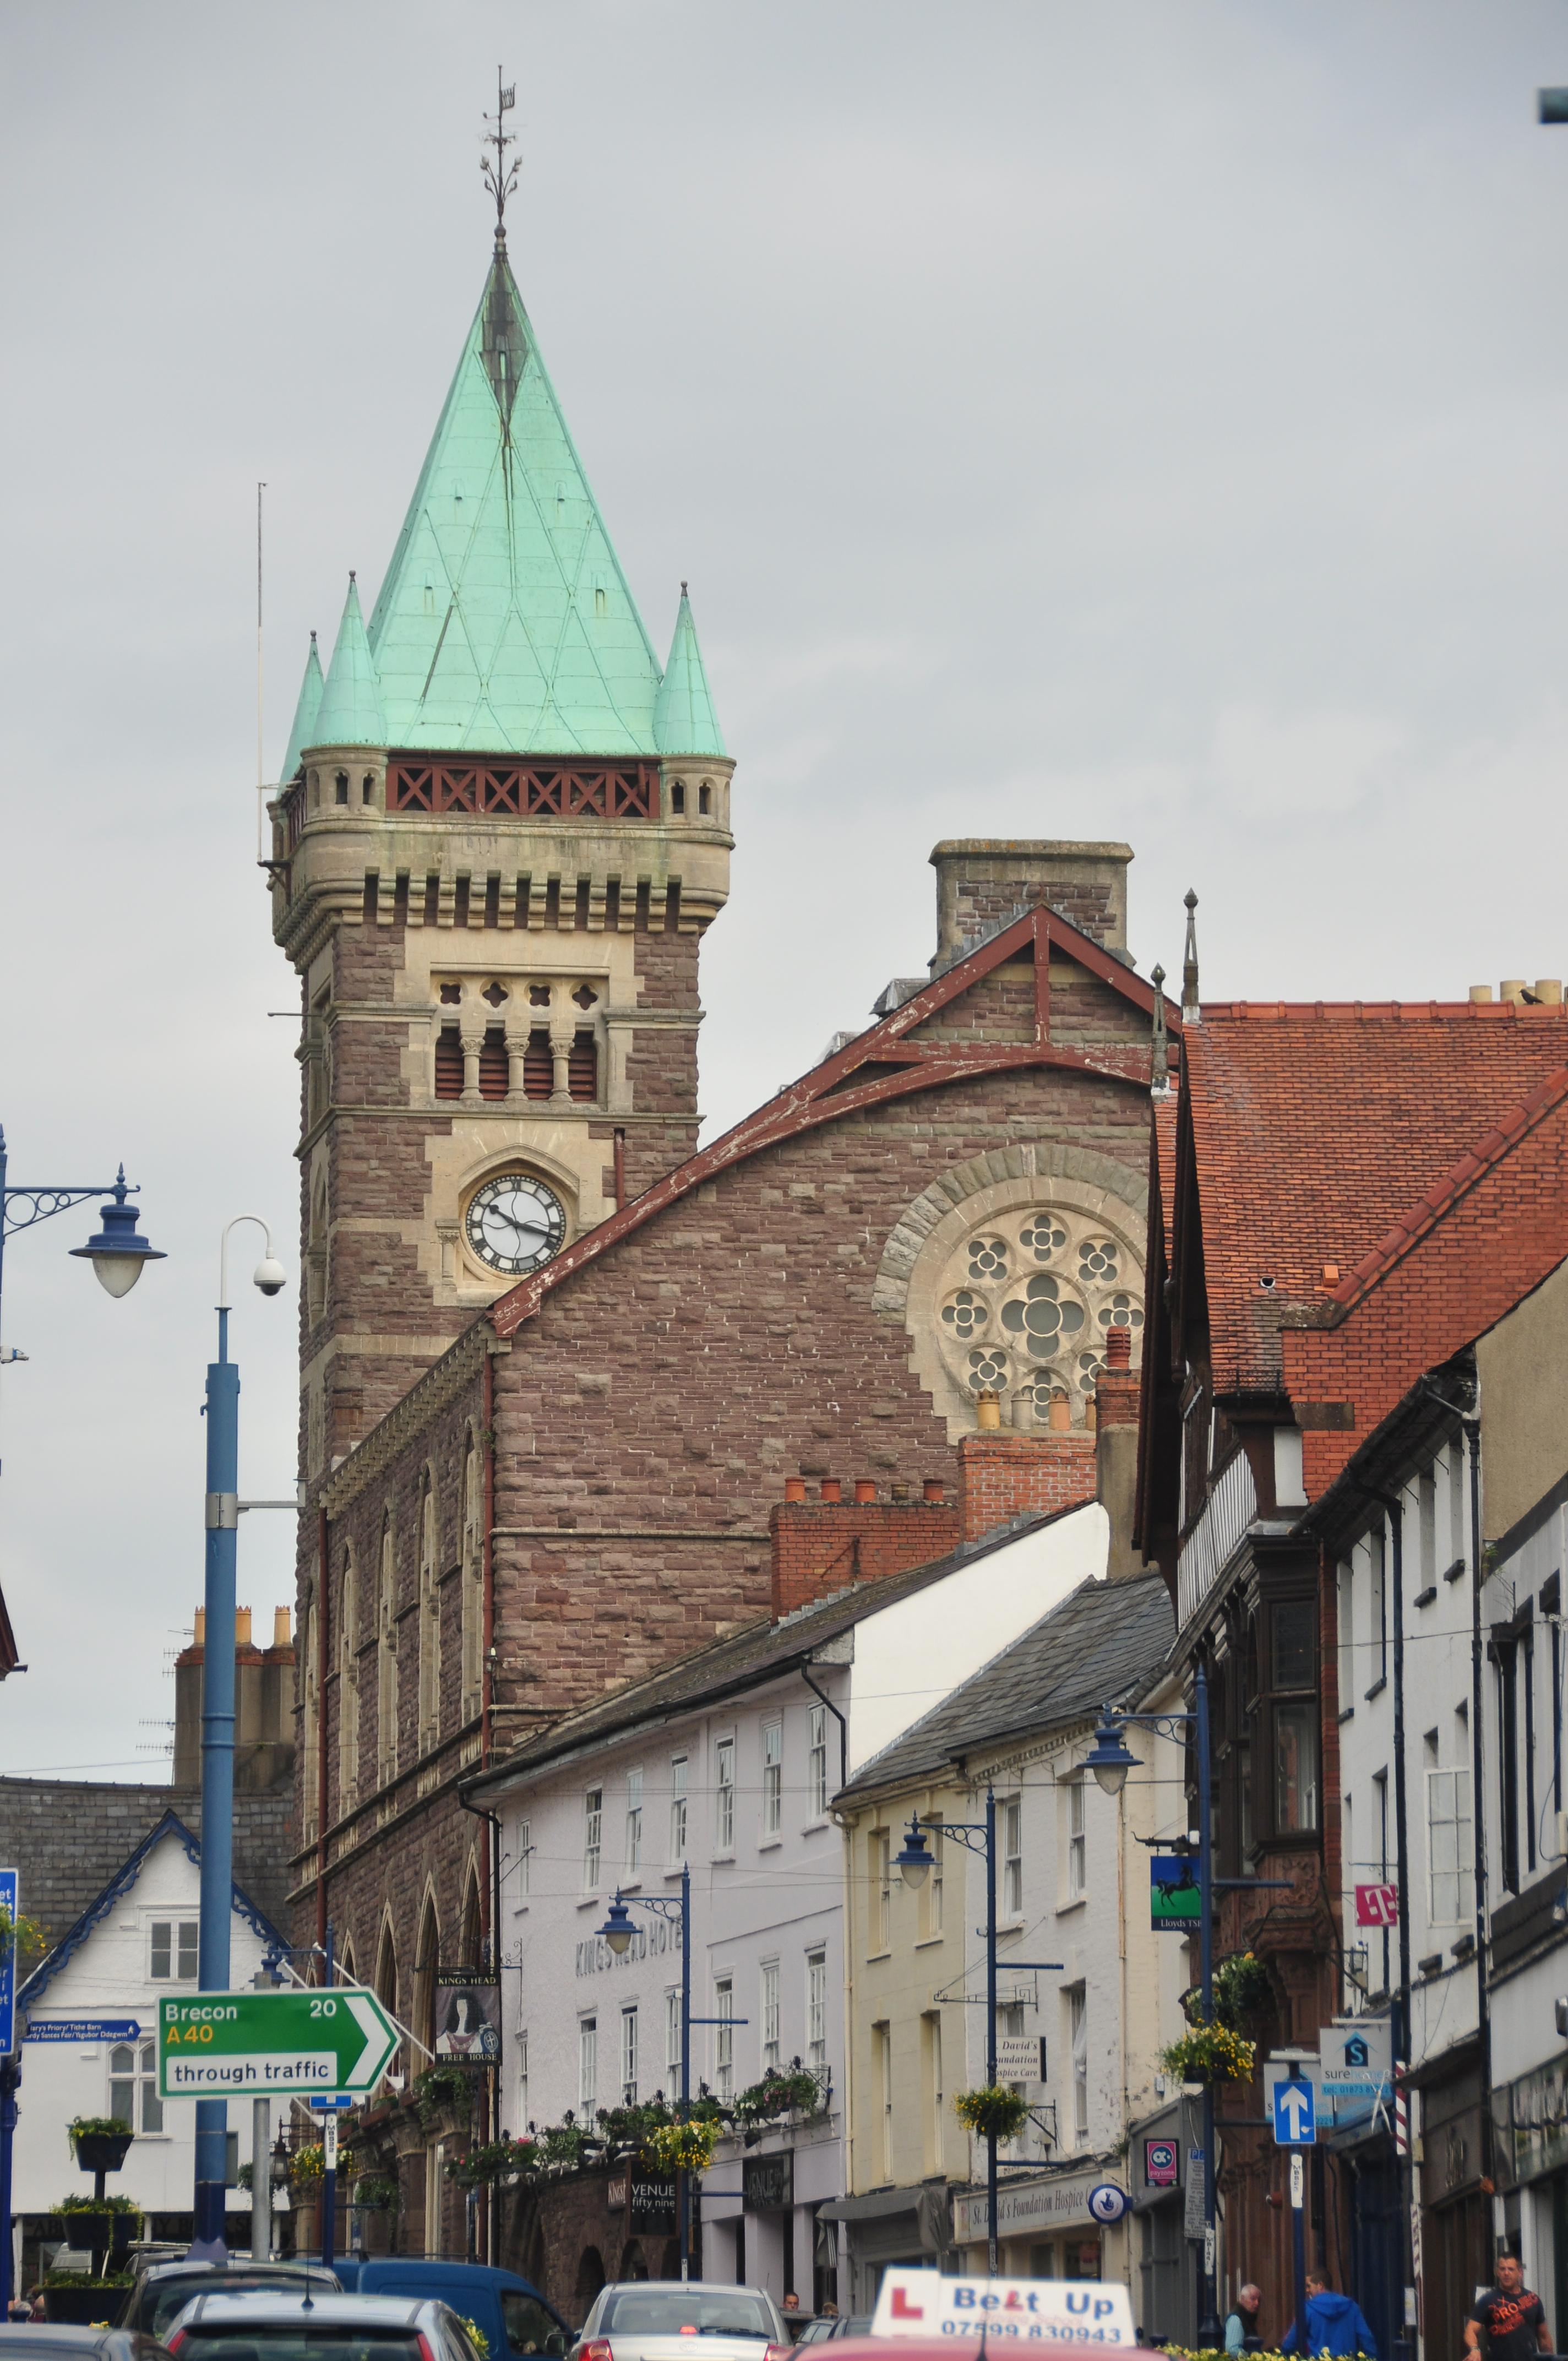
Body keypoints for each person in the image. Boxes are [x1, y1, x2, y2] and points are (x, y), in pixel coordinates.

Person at [1466, 2251, 1553, 2361]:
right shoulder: (1487, 2300)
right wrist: (1474, 2349)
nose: (1506, 2273)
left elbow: (1543, 2337)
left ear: (1520, 2272)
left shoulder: (1533, 2299)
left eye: (1511, 2269)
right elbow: (1470, 2330)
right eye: (1502, 2269)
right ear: (1497, 2272)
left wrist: (1550, 2357)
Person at [1281, 2273, 1377, 2358]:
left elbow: (1292, 2341)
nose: (1307, 2290)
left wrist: (1282, 2354)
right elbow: (1366, 2337)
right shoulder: (1352, 2307)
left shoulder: (1308, 2309)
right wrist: (1372, 2357)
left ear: (1320, 2285)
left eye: (1309, 2286)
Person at [1224, 2284, 1263, 2353]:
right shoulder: (1236, 2319)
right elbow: (1233, 2350)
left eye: (1259, 2300)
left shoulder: (1248, 2319)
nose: (1257, 2303)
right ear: (1242, 2299)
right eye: (1253, 2299)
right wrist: (1251, 2358)